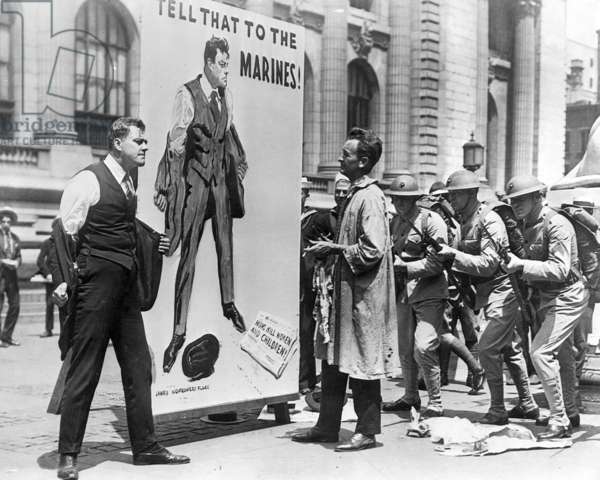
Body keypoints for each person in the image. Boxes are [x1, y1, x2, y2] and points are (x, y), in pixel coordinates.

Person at [54, 117, 189, 480]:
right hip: (96, 288)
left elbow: (125, 228)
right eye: (139, 141)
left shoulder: (129, 183)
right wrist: (63, 282)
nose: (145, 146)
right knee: (85, 370)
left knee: (138, 367)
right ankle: (68, 455)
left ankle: (145, 447)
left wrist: (153, 241)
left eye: (146, 141)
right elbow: (63, 232)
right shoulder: (88, 179)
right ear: (117, 143)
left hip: (125, 290)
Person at [291, 127, 399, 451]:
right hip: (346, 297)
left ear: (363, 161)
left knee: (363, 363)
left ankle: (367, 431)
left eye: (347, 154)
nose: (340, 157)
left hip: (364, 299)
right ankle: (326, 426)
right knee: (335, 360)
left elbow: (373, 249)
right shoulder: (354, 193)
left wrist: (334, 249)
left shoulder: (370, 197)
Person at [154, 36, 248, 373]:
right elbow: (173, 143)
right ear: (209, 64)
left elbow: (229, 134)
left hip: (219, 185)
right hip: (195, 183)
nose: (227, 71)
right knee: (188, 257)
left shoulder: (226, 96)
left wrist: (237, 166)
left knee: (226, 247)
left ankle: (229, 303)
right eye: (223, 65)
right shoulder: (187, 94)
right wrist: (166, 185)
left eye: (228, 65)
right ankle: (178, 332)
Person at [437, 169, 538, 425]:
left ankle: (497, 409)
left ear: (471, 194)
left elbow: (488, 265)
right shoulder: (464, 221)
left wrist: (452, 255)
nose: (452, 201)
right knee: (511, 349)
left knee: (487, 348)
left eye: (456, 196)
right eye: (450, 196)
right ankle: (527, 404)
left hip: (504, 290)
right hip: (488, 293)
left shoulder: (489, 220)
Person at [503, 176, 589, 439]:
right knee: (561, 356)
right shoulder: (527, 224)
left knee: (540, 353)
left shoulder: (557, 223)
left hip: (568, 294)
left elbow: (561, 269)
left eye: (521, 198)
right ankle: (570, 413)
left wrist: (521, 265)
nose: (516, 204)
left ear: (538, 196)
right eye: (513, 200)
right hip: (546, 297)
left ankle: (559, 420)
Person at [381, 174, 449, 417]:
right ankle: (410, 396)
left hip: (429, 291)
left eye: (405, 198)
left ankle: (436, 402)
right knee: (405, 349)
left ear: (415, 199)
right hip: (403, 292)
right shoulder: (395, 222)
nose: (400, 202)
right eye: (396, 198)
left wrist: (405, 268)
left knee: (423, 346)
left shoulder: (432, 221)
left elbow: (439, 262)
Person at [299, 174, 350, 394]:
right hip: (302, 281)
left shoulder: (318, 217)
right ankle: (304, 378)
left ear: (306, 195)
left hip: (324, 283)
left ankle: (314, 381)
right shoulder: (308, 218)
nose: (340, 195)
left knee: (319, 329)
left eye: (301, 193)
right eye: (337, 191)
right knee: (305, 328)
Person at [0, 206, 21, 347]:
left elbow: (19, 256)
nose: (6, 224)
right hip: (0, 276)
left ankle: (7, 336)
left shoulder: (15, 238)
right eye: (4, 221)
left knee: (15, 306)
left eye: (9, 222)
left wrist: (16, 262)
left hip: (12, 278)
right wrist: (3, 261)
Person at [36, 236, 55, 337]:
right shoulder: (47, 243)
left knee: (67, 305)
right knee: (49, 304)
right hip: (51, 279)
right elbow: (40, 261)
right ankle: (48, 329)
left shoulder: (68, 240)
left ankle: (68, 331)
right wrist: (47, 274)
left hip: (65, 278)